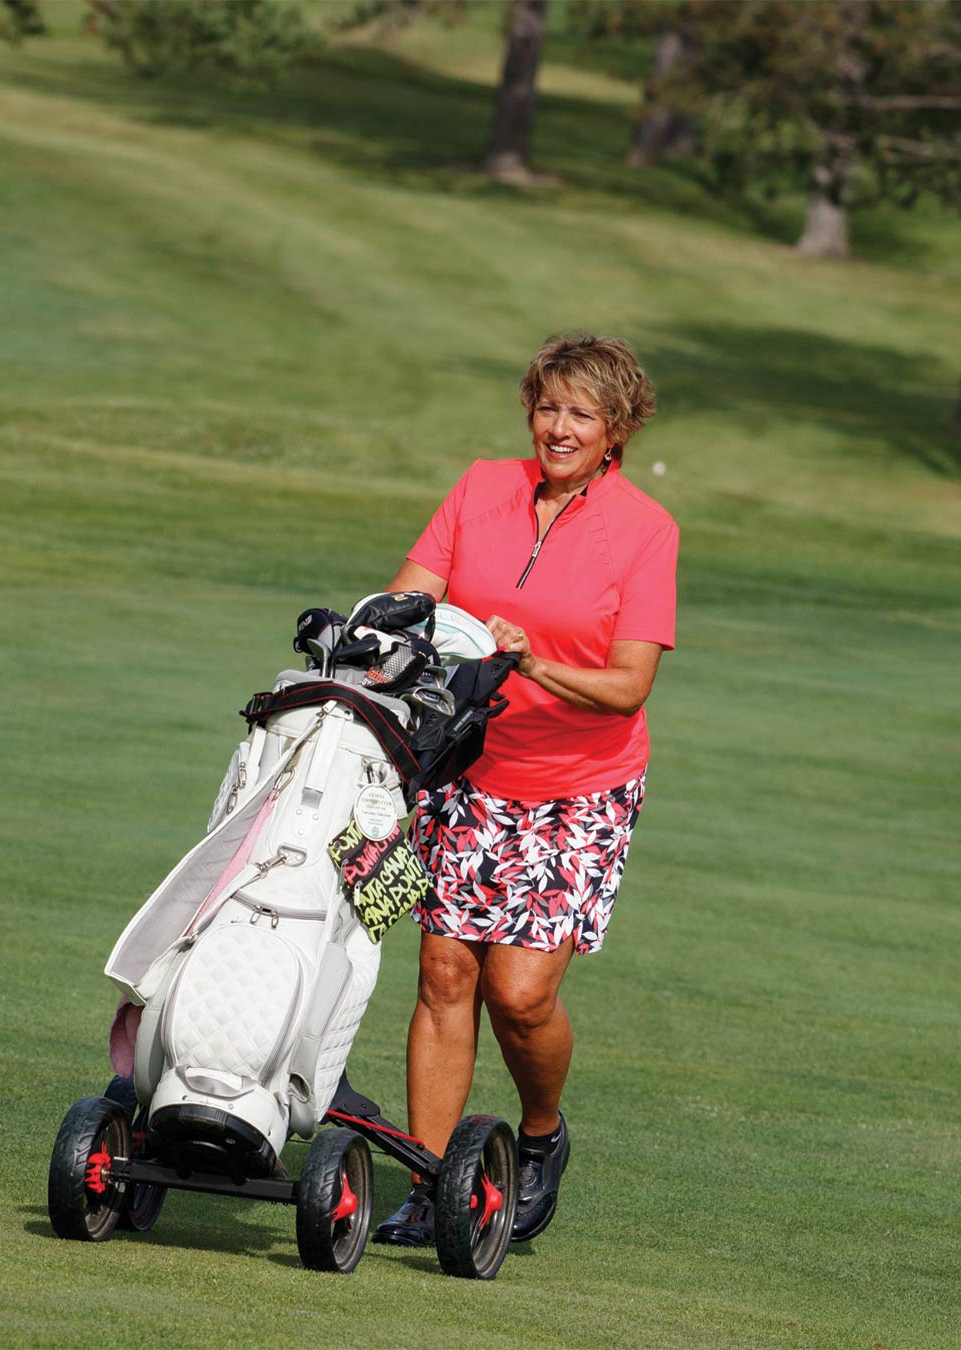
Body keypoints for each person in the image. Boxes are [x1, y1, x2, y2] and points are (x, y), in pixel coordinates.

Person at [370, 332, 678, 1250]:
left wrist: (530, 662)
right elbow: (407, 601)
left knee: (519, 992)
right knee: (444, 971)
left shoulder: (644, 530)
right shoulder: (478, 489)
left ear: (616, 428)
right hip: (464, 767)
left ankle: (540, 1134)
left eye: (581, 413)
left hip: (579, 786)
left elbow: (628, 686)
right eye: (547, 407)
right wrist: (375, 641)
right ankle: (429, 1186)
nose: (558, 427)